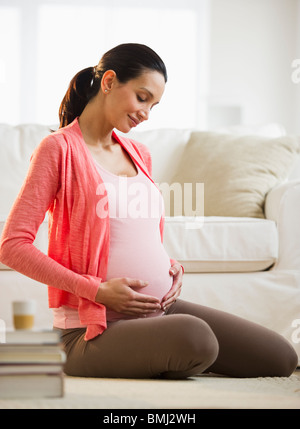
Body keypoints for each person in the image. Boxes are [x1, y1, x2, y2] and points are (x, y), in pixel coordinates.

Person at [0, 43, 297, 379]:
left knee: (280, 357)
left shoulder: (138, 152)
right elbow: (12, 246)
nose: (146, 114)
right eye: (142, 98)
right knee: (197, 338)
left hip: (159, 310)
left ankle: (162, 355)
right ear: (109, 81)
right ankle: (144, 355)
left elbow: (135, 231)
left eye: (153, 105)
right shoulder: (58, 149)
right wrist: (96, 291)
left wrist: (170, 265)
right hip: (92, 329)